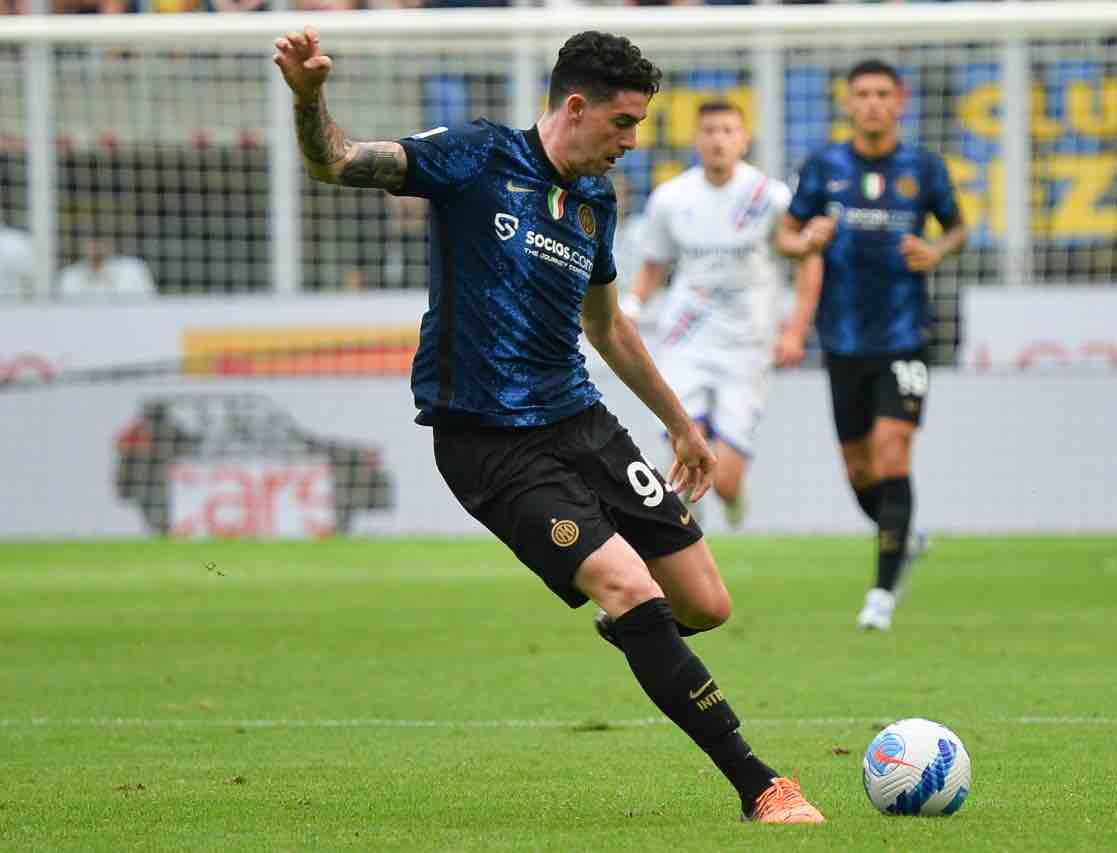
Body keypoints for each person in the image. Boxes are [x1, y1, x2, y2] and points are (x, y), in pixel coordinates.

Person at [273, 26, 824, 824]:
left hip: (580, 421)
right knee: (631, 586)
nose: (632, 141)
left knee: (705, 603)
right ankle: (761, 785)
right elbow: (335, 161)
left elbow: (609, 327)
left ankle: (634, 626)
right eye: (624, 122)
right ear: (575, 106)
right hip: (489, 443)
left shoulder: (596, 200)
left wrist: (680, 425)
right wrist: (309, 98)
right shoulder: (474, 157)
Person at [775, 59, 968, 632]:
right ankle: (903, 534)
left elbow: (957, 228)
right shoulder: (824, 166)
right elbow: (785, 236)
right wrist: (804, 241)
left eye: (883, 93)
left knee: (892, 451)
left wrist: (937, 251)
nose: (873, 103)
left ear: (900, 100)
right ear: (848, 102)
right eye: (862, 94)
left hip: (905, 337)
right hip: (842, 340)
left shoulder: (923, 167)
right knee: (859, 471)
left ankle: (881, 595)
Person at [619, 100, 812, 529]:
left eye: (728, 131)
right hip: (686, 339)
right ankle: (687, 535)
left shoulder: (770, 198)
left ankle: (731, 498)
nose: (718, 140)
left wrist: (795, 330)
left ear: (743, 140)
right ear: (696, 140)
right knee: (685, 452)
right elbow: (654, 266)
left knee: (724, 480)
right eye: (709, 131)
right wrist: (632, 307)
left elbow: (808, 260)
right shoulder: (671, 198)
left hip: (748, 344)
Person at [57, 235, 156, 300]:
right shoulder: (69, 276)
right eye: (91, 240)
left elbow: (149, 305)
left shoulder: (133, 270)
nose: (96, 246)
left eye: (100, 239)